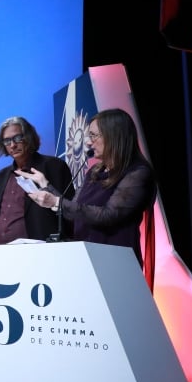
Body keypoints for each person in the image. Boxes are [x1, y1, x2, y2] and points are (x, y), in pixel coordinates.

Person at [24, 108, 156, 269]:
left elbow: (109, 215)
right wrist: (46, 185)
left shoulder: (137, 173)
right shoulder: (95, 171)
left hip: (117, 263)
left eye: (94, 135)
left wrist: (56, 202)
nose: (88, 142)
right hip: (86, 259)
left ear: (115, 136)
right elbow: (73, 210)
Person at [0, 116, 75, 243]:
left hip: (40, 250)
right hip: (2, 250)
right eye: (7, 141)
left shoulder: (54, 167)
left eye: (18, 138)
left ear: (29, 137)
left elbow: (69, 211)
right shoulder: (1, 176)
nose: (12, 145)